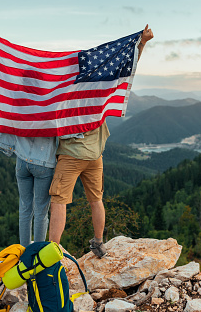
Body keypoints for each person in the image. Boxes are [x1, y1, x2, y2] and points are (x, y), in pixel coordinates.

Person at [48, 24, 154, 257]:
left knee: (59, 201)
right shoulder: (101, 92)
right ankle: (98, 242)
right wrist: (142, 43)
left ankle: (52, 250)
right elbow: (126, 68)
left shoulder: (68, 95)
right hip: (95, 156)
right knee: (96, 200)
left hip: (71, 156)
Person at [0, 134, 57, 247]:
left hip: (22, 161)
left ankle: (24, 251)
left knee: (25, 208)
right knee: (41, 211)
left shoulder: (24, 114)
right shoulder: (50, 115)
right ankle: (37, 252)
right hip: (43, 162)